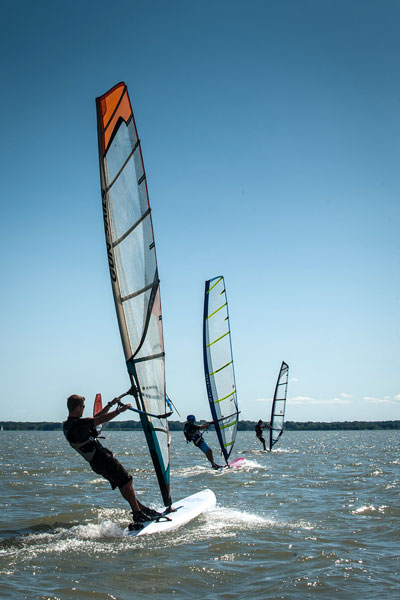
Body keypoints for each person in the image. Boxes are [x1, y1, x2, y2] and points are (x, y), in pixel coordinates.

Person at [63, 394, 160, 529]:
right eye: (83, 407)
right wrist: (119, 411)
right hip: (101, 458)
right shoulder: (78, 424)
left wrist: (110, 404)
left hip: (96, 462)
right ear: (78, 407)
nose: (84, 409)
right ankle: (137, 513)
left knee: (122, 483)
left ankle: (141, 508)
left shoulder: (68, 425)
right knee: (126, 480)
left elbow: (95, 419)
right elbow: (99, 420)